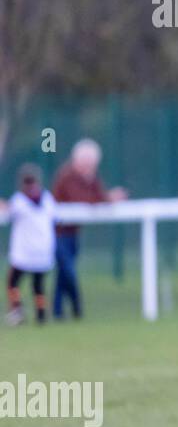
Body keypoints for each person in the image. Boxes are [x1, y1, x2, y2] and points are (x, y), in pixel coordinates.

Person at [50, 138, 127, 320]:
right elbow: (83, 200)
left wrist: (106, 196)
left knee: (63, 275)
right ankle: (77, 310)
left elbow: (98, 196)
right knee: (68, 271)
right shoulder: (67, 176)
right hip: (57, 233)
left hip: (72, 233)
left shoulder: (89, 177)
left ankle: (57, 312)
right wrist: (109, 197)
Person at [5, 165, 56, 326]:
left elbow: (7, 213)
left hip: (25, 252)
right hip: (44, 250)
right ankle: (41, 314)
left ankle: (17, 310)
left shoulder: (19, 200)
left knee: (12, 282)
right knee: (38, 285)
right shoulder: (47, 198)